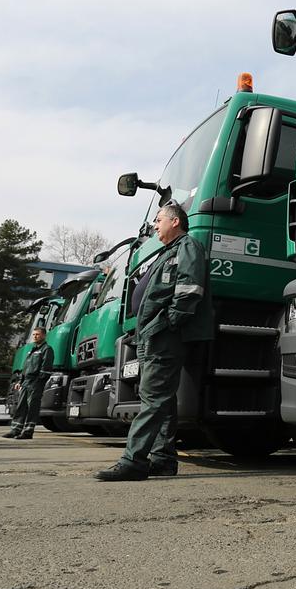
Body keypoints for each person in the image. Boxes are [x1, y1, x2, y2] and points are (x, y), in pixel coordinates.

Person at [96, 202, 212, 481]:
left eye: (159, 220)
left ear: (175, 222)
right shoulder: (167, 253)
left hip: (166, 334)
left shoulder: (187, 247)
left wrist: (168, 321)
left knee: (153, 398)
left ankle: (133, 460)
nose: (155, 225)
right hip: (154, 334)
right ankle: (162, 459)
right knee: (163, 400)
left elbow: (189, 290)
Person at [4, 326, 54, 439]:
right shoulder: (31, 350)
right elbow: (25, 367)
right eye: (34, 334)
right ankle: (15, 429)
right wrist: (20, 381)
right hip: (26, 382)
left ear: (44, 335)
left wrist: (38, 381)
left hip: (36, 382)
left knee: (32, 407)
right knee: (21, 406)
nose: (35, 336)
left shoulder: (47, 349)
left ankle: (28, 431)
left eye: (37, 334)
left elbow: (46, 368)